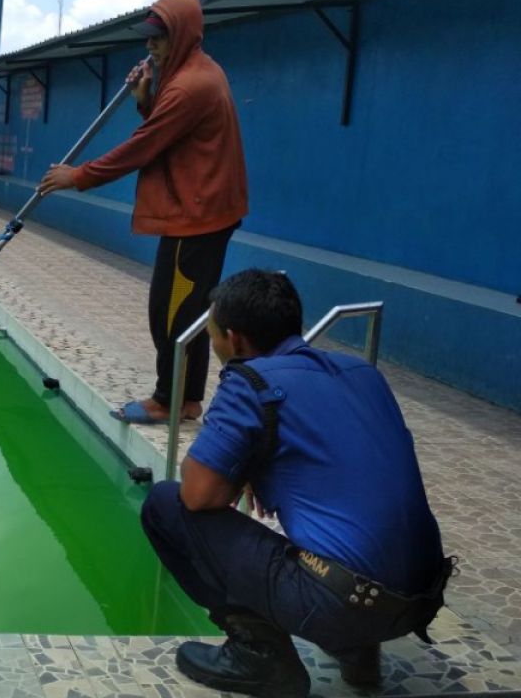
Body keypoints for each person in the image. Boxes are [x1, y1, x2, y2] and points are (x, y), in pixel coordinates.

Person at [140, 269, 451, 698]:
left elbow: (198, 495)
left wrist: (244, 468)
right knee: (347, 538)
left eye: (213, 338)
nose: (213, 348)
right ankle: (359, 651)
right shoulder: (363, 374)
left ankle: (260, 656)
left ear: (234, 340)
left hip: (343, 604)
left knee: (163, 504)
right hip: (419, 599)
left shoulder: (251, 380)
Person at [39, 0, 247, 425]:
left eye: (160, 37)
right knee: (186, 312)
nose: (150, 45)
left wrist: (76, 177)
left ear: (184, 35)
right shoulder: (193, 72)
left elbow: (144, 146)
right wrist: (144, 96)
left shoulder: (191, 85)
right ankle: (185, 399)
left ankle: (169, 400)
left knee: (171, 314)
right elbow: (169, 130)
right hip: (200, 210)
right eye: (149, 37)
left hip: (197, 216)